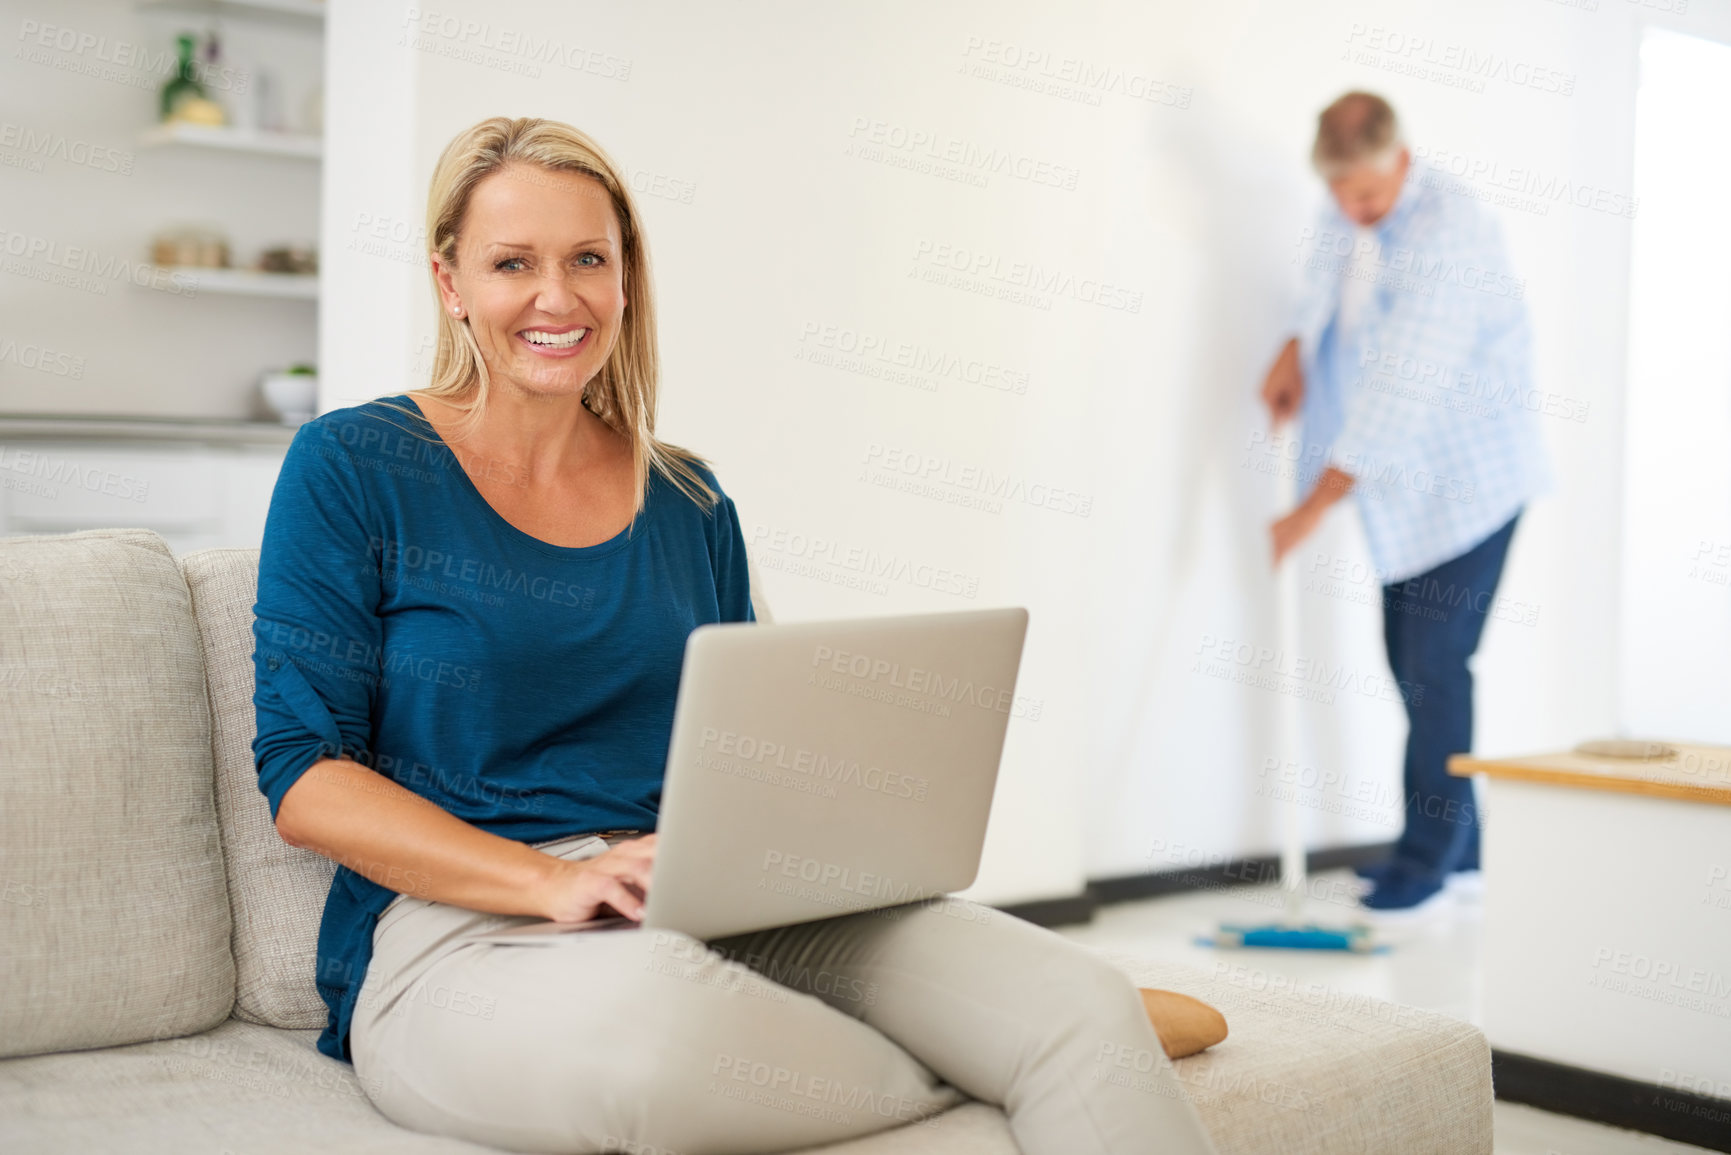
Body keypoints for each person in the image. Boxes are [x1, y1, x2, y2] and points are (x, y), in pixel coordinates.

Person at [251, 115, 1220, 1155]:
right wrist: (553, 880)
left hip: (702, 900)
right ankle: (999, 1064)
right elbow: (305, 781)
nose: (557, 296)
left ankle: (1056, 1040)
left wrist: (803, 837)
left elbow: (740, 747)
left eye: (589, 259)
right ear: (451, 284)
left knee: (1078, 1005)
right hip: (464, 930)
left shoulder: (686, 497)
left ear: (627, 278)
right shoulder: (352, 465)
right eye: (511, 264)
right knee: (671, 1044)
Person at [1258, 92, 1551, 913]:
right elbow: (1321, 271)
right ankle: (1463, 848)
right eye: (1341, 195)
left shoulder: (1447, 233)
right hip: (1406, 491)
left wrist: (1310, 508)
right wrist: (1291, 345)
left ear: (1402, 158)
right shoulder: (1349, 205)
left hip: (1472, 482)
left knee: (1433, 667)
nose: (1353, 210)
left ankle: (1425, 859)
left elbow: (1397, 394)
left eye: (1365, 195)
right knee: (1407, 660)